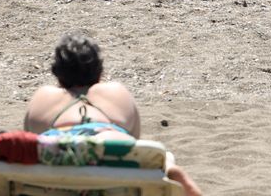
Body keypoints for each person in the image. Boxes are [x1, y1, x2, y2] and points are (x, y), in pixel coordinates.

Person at [25, 35, 202, 196]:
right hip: (110, 147)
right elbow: (134, 141)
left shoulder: (43, 96)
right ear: (100, 72)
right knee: (164, 158)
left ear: (57, 74)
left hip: (56, 162)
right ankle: (169, 168)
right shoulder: (115, 91)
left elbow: (31, 139)